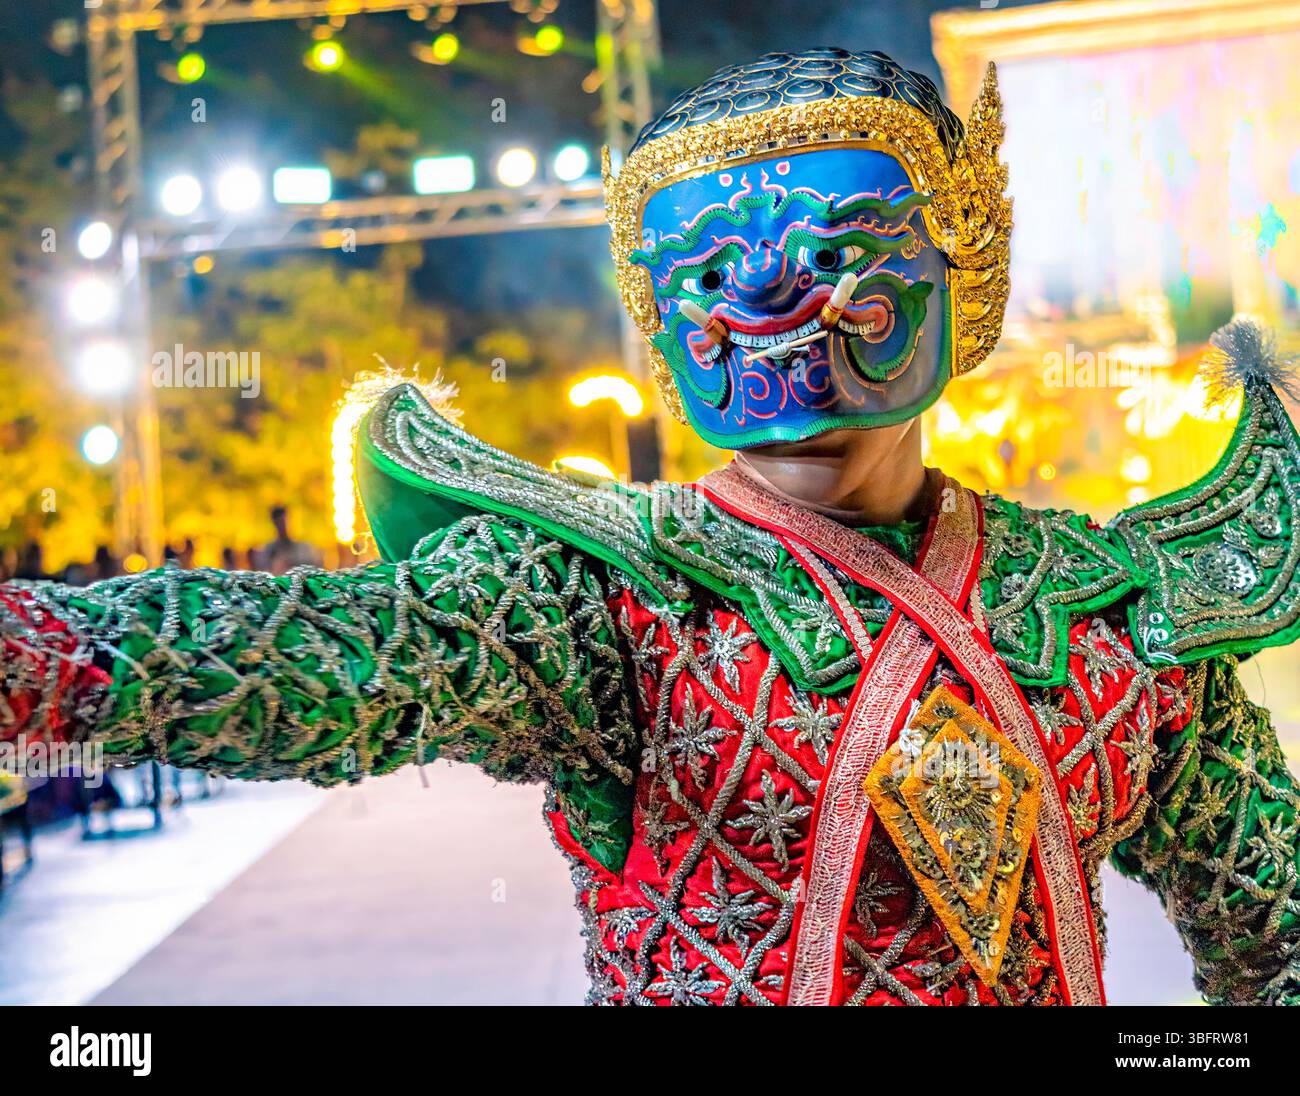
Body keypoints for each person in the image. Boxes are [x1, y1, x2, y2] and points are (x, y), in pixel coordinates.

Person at [2, 49, 1299, 1006]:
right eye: (712, 305)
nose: (786, 368)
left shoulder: (1116, 613)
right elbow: (319, 655)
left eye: (850, 281)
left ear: (968, 266)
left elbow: (1273, 923)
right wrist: (35, 657)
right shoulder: (606, 599)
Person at [255, 505, 322, 576]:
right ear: (275, 524)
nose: (284, 526)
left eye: (285, 521)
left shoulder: (304, 547)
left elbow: (314, 568)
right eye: (280, 522)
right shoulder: (270, 550)